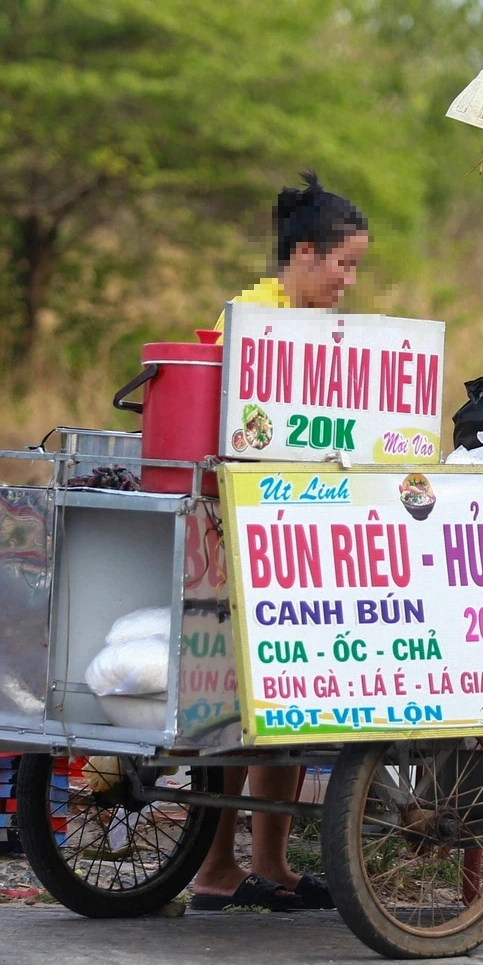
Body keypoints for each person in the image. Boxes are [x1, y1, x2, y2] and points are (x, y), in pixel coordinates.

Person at [189, 170, 369, 912]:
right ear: (302, 253)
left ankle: (268, 861)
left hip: (295, 534)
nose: (349, 283)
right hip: (238, 537)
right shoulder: (251, 323)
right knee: (235, 710)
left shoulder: (320, 334)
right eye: (342, 264)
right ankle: (215, 865)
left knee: (284, 706)